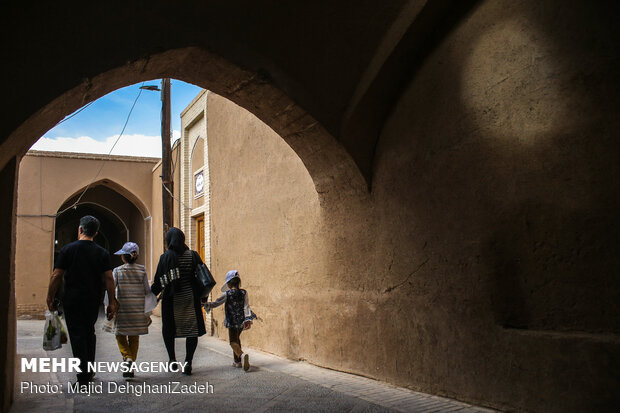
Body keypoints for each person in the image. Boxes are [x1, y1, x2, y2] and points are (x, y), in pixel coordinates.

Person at [46, 215, 118, 385]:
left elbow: (57, 275)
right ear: (96, 233)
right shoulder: (102, 252)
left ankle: (83, 378)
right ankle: (89, 371)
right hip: (93, 300)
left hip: (72, 300)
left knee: (77, 336)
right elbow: (109, 278)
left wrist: (50, 296)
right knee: (89, 333)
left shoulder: (68, 250)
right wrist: (112, 302)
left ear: (80, 229)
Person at [151, 228, 206, 375]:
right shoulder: (193, 255)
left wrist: (150, 296)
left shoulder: (165, 257)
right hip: (190, 298)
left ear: (168, 240)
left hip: (171, 299)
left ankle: (172, 360)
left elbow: (158, 281)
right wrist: (203, 296)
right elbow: (202, 276)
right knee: (192, 330)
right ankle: (188, 362)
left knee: (169, 330)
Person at [110, 241, 151, 378]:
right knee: (134, 337)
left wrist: (109, 305)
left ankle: (127, 358)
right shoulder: (142, 270)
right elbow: (147, 290)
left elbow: (111, 289)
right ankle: (130, 364)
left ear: (123, 257)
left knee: (120, 334)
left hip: (123, 309)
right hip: (137, 309)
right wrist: (148, 310)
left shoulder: (117, 271)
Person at [204, 270, 256, 371]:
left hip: (231, 321)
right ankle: (237, 362)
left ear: (228, 283)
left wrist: (207, 305)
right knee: (237, 339)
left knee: (232, 341)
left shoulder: (227, 294)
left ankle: (242, 355)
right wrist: (247, 319)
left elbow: (217, 303)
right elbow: (246, 306)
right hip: (241, 321)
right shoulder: (244, 293)